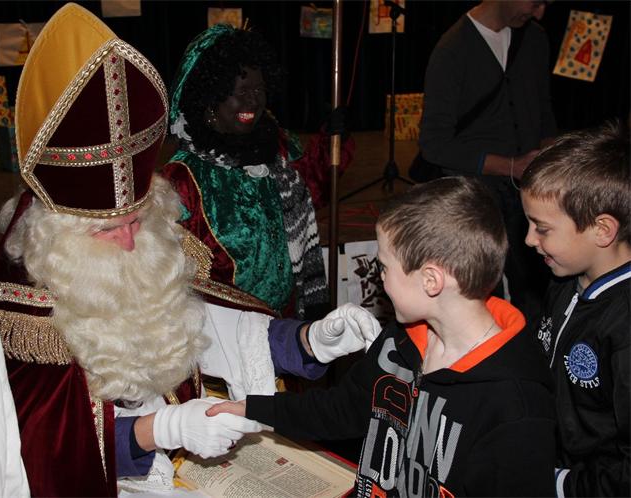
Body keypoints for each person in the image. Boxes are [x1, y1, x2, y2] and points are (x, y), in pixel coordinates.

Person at [0, 4, 380, 496]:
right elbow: (41, 451)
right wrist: (158, 430)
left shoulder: (149, 259)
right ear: (59, 237)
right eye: (108, 231)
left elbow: (221, 330)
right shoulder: (23, 322)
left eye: (136, 221)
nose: (130, 242)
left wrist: (311, 341)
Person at [209, 176, 557, 496]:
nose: (380, 279)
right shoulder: (400, 340)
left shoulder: (516, 406)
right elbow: (343, 409)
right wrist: (254, 408)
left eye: (385, 267)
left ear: (431, 281)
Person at [162, 24, 354, 320]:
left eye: (258, 90)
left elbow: (314, 188)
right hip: (226, 330)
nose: (253, 101)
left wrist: (331, 144)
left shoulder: (277, 146)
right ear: (211, 97)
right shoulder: (183, 178)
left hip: (288, 321)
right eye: (240, 92)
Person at [418, 0, 556, 322]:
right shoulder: (452, 49)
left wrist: (553, 160)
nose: (540, 12)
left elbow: (544, 111)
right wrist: (511, 166)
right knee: (481, 294)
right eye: (536, 2)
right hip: (477, 192)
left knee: (537, 293)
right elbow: (433, 145)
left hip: (530, 187)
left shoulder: (535, 38)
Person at [520, 121, 630, 497]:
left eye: (542, 228)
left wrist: (562, 485)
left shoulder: (624, 327)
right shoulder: (563, 282)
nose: (529, 239)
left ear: (602, 230)